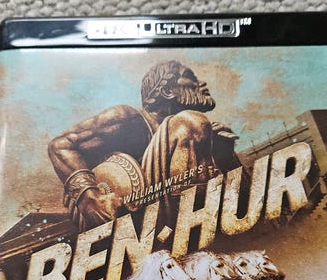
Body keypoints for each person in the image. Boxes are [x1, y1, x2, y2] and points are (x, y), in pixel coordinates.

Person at [48, 60, 242, 231]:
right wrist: (89, 199)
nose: (202, 83)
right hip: (134, 220)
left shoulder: (198, 133)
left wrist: (223, 155)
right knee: (191, 122)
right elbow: (60, 146)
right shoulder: (127, 118)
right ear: (166, 91)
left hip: (168, 222)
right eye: (190, 77)